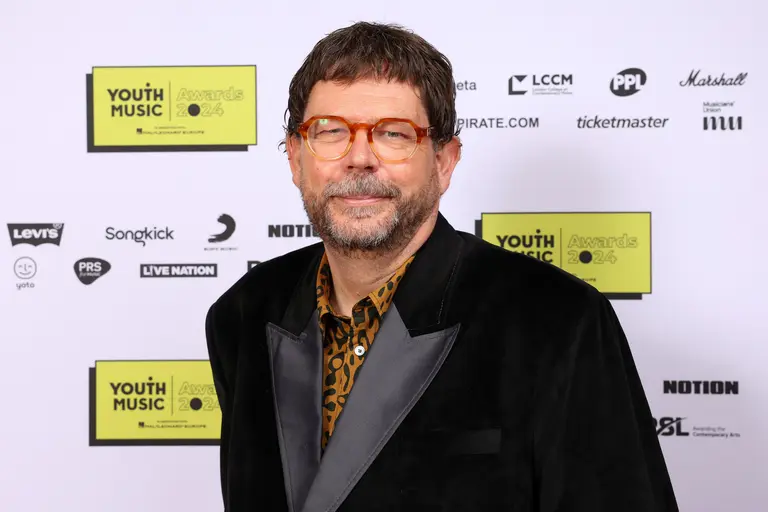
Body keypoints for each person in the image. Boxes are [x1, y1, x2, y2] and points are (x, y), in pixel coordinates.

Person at [205, 21, 679, 512]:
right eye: (331, 132)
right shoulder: (243, 314)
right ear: (296, 158)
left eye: (393, 134)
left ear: (445, 161)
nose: (360, 158)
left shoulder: (557, 321)